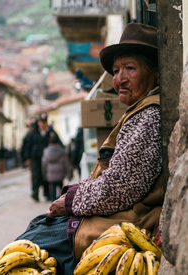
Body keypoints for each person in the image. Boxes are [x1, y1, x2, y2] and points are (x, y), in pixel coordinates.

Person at [14, 23, 164, 274]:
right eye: (116, 71)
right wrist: (74, 191)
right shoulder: (138, 111)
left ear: (156, 72)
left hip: (124, 224)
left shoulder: (149, 116)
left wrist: (70, 201)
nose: (119, 79)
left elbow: (120, 189)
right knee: (36, 229)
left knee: (29, 246)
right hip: (115, 216)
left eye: (130, 68)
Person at [22, 113, 63, 202]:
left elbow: (59, 143)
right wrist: (27, 158)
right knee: (36, 176)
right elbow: (27, 146)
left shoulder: (51, 132)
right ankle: (35, 193)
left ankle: (47, 193)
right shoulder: (33, 133)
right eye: (41, 122)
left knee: (46, 176)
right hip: (36, 158)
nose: (43, 124)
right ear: (39, 123)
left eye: (44, 122)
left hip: (48, 159)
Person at [42, 135, 73, 201]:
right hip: (60, 175)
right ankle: (61, 202)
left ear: (49, 142)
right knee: (61, 191)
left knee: (52, 190)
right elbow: (67, 164)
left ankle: (52, 203)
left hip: (51, 175)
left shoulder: (46, 152)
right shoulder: (62, 151)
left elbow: (44, 164)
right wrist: (69, 174)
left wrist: (44, 174)